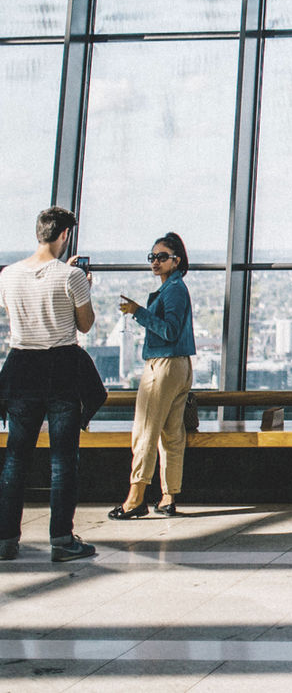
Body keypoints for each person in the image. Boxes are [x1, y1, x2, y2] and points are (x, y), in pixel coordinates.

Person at [0, 207, 101, 562]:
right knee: (62, 461)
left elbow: (14, 317)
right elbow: (84, 325)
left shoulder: (8, 275)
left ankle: (5, 539)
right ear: (65, 236)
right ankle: (62, 539)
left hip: (21, 368)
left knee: (15, 459)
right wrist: (83, 287)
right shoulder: (71, 276)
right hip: (60, 369)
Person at [110, 232, 196, 519]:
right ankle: (168, 496)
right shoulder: (175, 288)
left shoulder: (173, 290)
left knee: (145, 431)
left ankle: (135, 499)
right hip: (180, 367)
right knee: (172, 434)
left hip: (163, 366)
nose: (155, 262)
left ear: (177, 260)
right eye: (152, 257)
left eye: (162, 257)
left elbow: (169, 330)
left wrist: (138, 312)